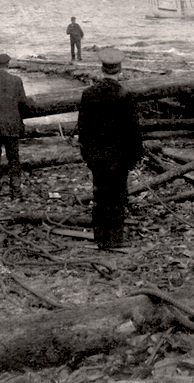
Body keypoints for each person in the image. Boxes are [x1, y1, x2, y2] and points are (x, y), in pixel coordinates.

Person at [77, 48, 143, 250]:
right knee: (117, 197)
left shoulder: (88, 94)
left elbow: (83, 129)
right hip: (119, 157)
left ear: (102, 69)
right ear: (120, 69)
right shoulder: (124, 95)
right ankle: (115, 239)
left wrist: (88, 156)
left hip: (97, 157)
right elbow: (133, 131)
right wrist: (134, 157)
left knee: (100, 197)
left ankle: (101, 239)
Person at [0, 53, 34, 199]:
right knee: (14, 158)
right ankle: (15, 191)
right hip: (12, 126)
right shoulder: (16, 80)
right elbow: (23, 104)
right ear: (8, 64)